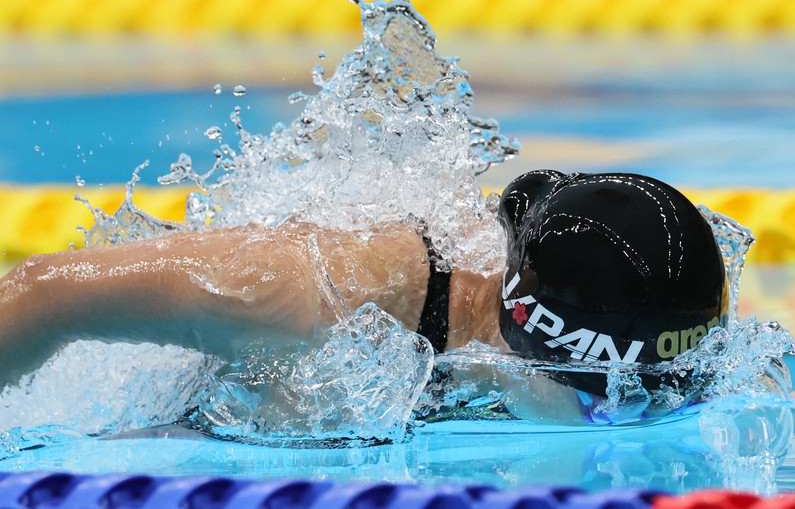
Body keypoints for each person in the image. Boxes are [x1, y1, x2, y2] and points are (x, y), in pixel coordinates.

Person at [0, 170, 726, 405]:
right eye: (601, 403)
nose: (617, 414)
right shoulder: (305, 294)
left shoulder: (533, 336)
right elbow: (43, 291)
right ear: (527, 341)